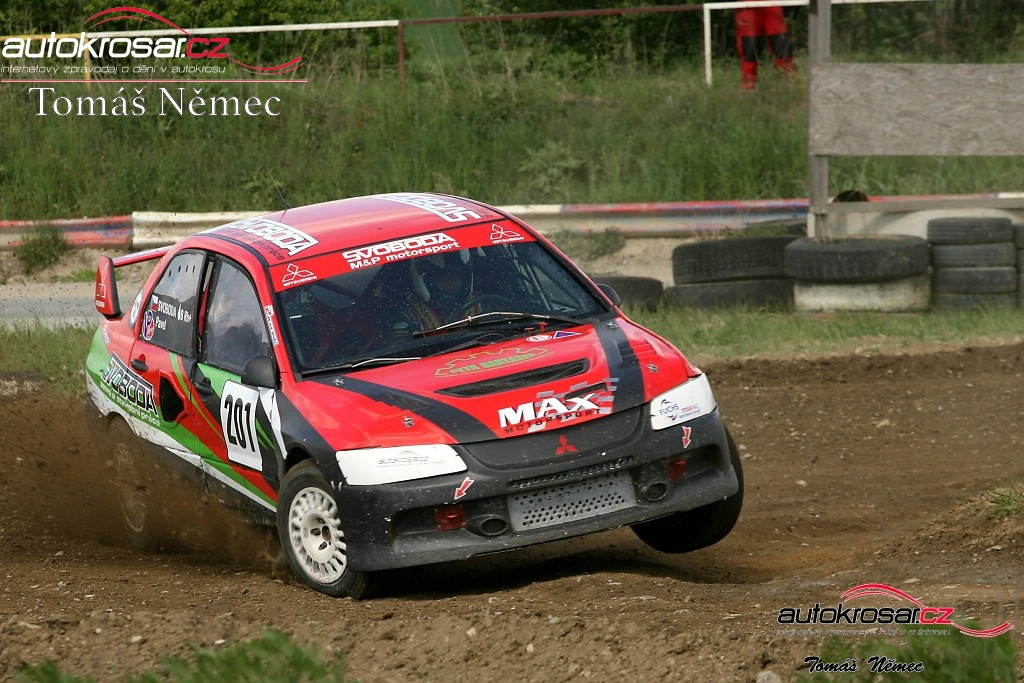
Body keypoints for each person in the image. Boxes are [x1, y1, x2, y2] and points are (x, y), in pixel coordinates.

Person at [735, 5, 796, 90]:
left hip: (772, 4)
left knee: (780, 42)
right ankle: (749, 86)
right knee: (749, 46)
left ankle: (792, 82)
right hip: (747, 4)